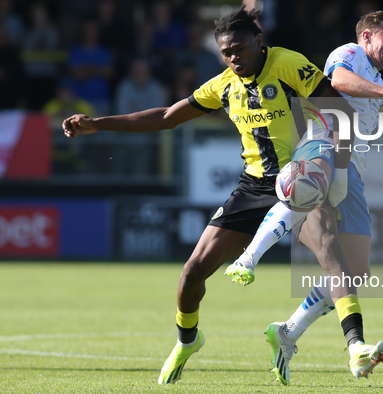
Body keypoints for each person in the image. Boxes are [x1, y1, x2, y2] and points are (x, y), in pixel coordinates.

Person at [62, 6, 359, 386]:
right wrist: (98, 125)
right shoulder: (223, 85)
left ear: (257, 41)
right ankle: (188, 341)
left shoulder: (286, 64)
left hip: (298, 181)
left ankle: (355, 347)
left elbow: (339, 108)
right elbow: (168, 116)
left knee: (333, 255)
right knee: (191, 274)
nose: (233, 57)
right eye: (225, 52)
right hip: (253, 186)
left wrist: (338, 170)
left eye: (239, 49)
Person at [225, 9, 383, 384]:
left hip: (353, 168)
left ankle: (287, 333)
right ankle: (248, 258)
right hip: (323, 139)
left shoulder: (374, 78)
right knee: (304, 190)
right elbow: (338, 79)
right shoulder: (350, 55)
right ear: (366, 36)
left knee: (357, 271)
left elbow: (377, 111)